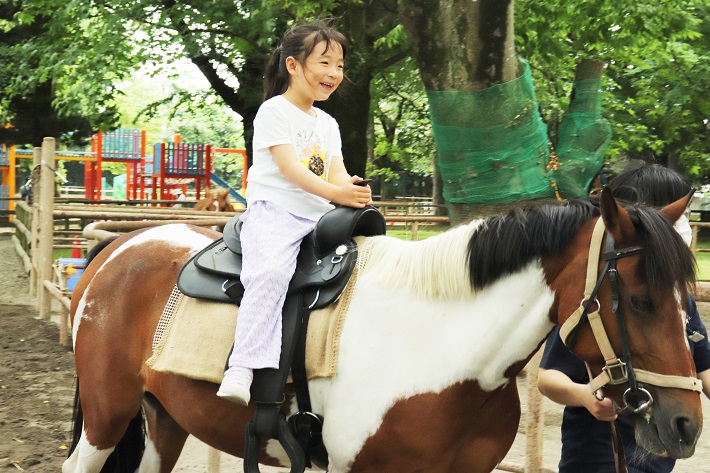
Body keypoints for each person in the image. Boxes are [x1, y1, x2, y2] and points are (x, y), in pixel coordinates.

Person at [216, 21, 372, 405]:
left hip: (318, 217)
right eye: (324, 63)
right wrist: (336, 190)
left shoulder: (329, 123)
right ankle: (242, 365)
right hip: (277, 211)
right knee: (270, 272)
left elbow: (333, 170)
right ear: (293, 65)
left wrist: (349, 189)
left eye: (339, 65)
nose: (334, 74)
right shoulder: (274, 111)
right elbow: (291, 169)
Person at [538, 163, 710, 472]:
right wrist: (585, 396)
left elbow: (705, 369)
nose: (679, 224)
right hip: (593, 458)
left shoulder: (680, 302)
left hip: (656, 463)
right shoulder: (593, 300)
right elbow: (548, 377)